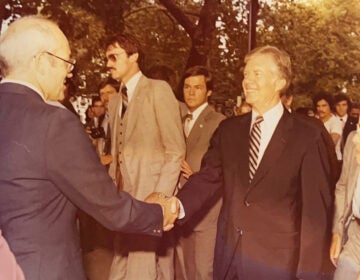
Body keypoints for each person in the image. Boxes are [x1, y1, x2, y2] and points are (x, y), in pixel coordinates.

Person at [0, 16, 178, 280]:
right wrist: (159, 213)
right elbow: (107, 205)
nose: (70, 72)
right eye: (66, 61)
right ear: (40, 61)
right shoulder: (53, 121)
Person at [155, 45, 333, 279]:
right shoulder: (229, 131)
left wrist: (309, 274)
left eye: (257, 74)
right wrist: (175, 205)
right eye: (246, 74)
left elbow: (315, 215)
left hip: (278, 264)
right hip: (229, 259)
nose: (247, 81)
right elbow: (207, 178)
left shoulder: (308, 134)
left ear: (280, 82)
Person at [105, 33, 185, 280]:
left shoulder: (157, 90)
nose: (108, 63)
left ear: (134, 57)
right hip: (122, 196)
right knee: (121, 259)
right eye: (106, 58)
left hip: (149, 195)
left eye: (114, 57)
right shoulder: (115, 100)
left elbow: (175, 150)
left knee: (143, 265)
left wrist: (159, 197)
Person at [175, 65, 225, 280]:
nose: (191, 92)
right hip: (176, 205)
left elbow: (221, 169)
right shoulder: (175, 118)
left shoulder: (219, 123)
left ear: (209, 91)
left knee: (202, 271)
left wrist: (197, 176)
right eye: (187, 87)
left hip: (205, 210)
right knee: (181, 270)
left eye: (197, 87)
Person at [330, 128, 360, 280]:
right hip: (355, 234)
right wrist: (338, 231)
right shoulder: (352, 141)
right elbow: (342, 186)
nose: (356, 138)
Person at [313, 93, 343, 162]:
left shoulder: (336, 122)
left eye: (324, 106)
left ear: (330, 106)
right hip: (317, 160)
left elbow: (331, 144)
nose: (321, 109)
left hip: (333, 161)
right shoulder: (313, 121)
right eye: (318, 106)